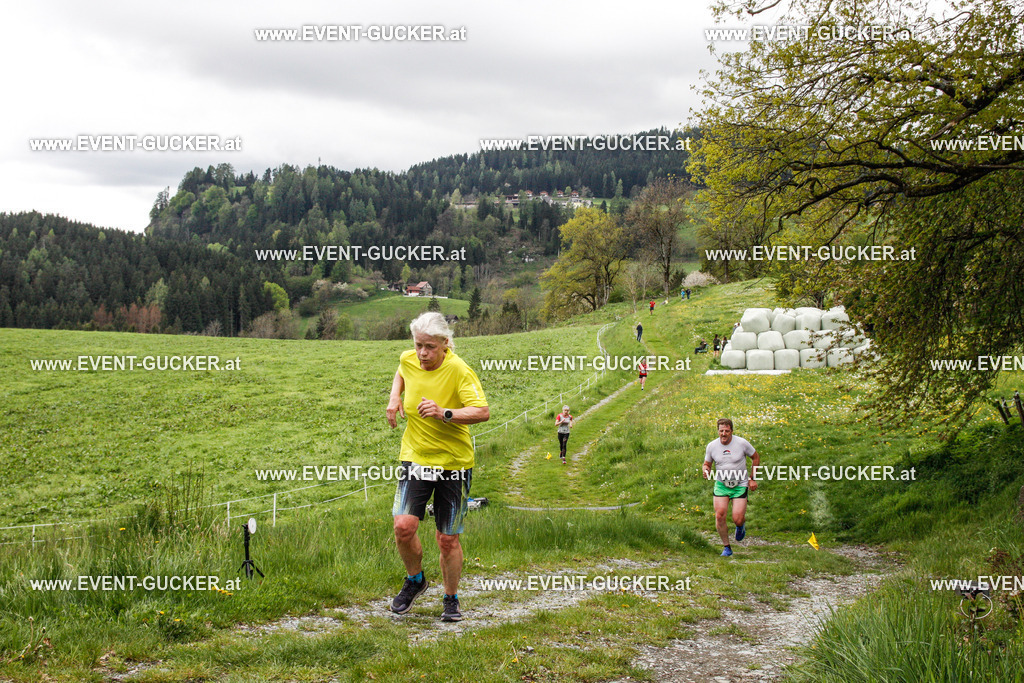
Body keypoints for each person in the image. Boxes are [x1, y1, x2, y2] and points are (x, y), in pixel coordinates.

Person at [386, 312, 490, 621]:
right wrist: (394, 398)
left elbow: (482, 412)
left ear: (445, 344)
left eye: (429, 347)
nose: (422, 354)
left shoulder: (459, 370)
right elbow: (401, 371)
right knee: (403, 527)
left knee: (447, 539)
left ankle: (451, 597)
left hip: (453, 463)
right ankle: (415, 580)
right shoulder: (409, 359)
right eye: (418, 345)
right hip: (416, 456)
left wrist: (445, 412)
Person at [702, 418, 759, 557]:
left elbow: (756, 457)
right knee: (720, 514)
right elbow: (707, 464)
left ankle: (740, 525)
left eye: (727, 431)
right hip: (722, 485)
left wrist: (752, 478)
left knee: (737, 518)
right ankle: (727, 547)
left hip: (740, 484)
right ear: (718, 431)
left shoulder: (741, 443)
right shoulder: (712, 446)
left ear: (731, 431)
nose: (723, 434)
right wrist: (706, 470)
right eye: (721, 431)